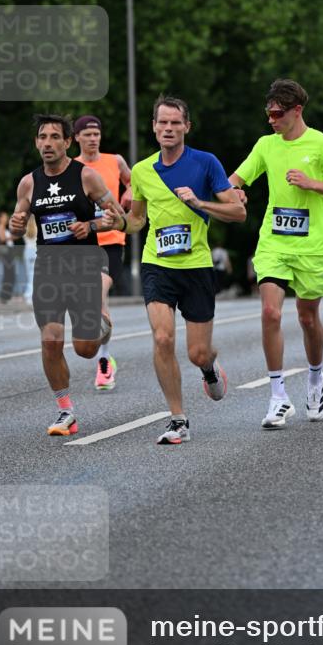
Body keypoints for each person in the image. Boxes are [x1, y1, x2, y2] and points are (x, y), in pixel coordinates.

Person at [103, 96, 245, 445]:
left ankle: (209, 368)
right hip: (157, 264)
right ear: (153, 127)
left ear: (186, 127)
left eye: (175, 123)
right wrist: (120, 221)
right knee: (163, 337)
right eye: (162, 123)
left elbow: (238, 214)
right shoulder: (141, 171)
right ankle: (178, 418)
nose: (168, 129)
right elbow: (137, 220)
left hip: (196, 265)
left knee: (197, 352)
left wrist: (200, 203)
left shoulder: (205, 163)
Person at [229, 79, 323, 429]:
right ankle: (278, 396)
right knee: (270, 312)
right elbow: (235, 179)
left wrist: (313, 183)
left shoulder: (322, 145)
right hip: (274, 242)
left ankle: (315, 381)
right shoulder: (266, 145)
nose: (271, 120)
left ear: (296, 110)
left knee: (307, 319)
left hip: (311, 247)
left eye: (277, 113)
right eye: (268, 113)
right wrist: (236, 193)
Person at [8, 114, 125, 436]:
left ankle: (102, 325)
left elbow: (117, 218)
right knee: (50, 340)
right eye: (42, 137)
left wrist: (90, 225)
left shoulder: (87, 177)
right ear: (36, 142)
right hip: (48, 269)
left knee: (85, 349)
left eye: (54, 137)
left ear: (66, 142)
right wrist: (15, 226)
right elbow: (17, 221)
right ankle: (65, 411)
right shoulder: (29, 183)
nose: (47, 143)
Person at [74, 114, 132, 389]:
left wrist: (129, 193)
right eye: (87, 134)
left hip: (110, 240)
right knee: (99, 303)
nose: (93, 138)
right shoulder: (71, 168)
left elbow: (135, 183)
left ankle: (103, 359)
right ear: (76, 138)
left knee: (97, 292)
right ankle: (105, 357)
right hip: (81, 243)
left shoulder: (115, 160)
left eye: (97, 133)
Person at [22, 216, 38, 305]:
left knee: (29, 275)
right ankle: (30, 295)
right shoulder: (37, 228)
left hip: (27, 251)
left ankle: (28, 295)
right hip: (35, 251)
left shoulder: (25, 229)